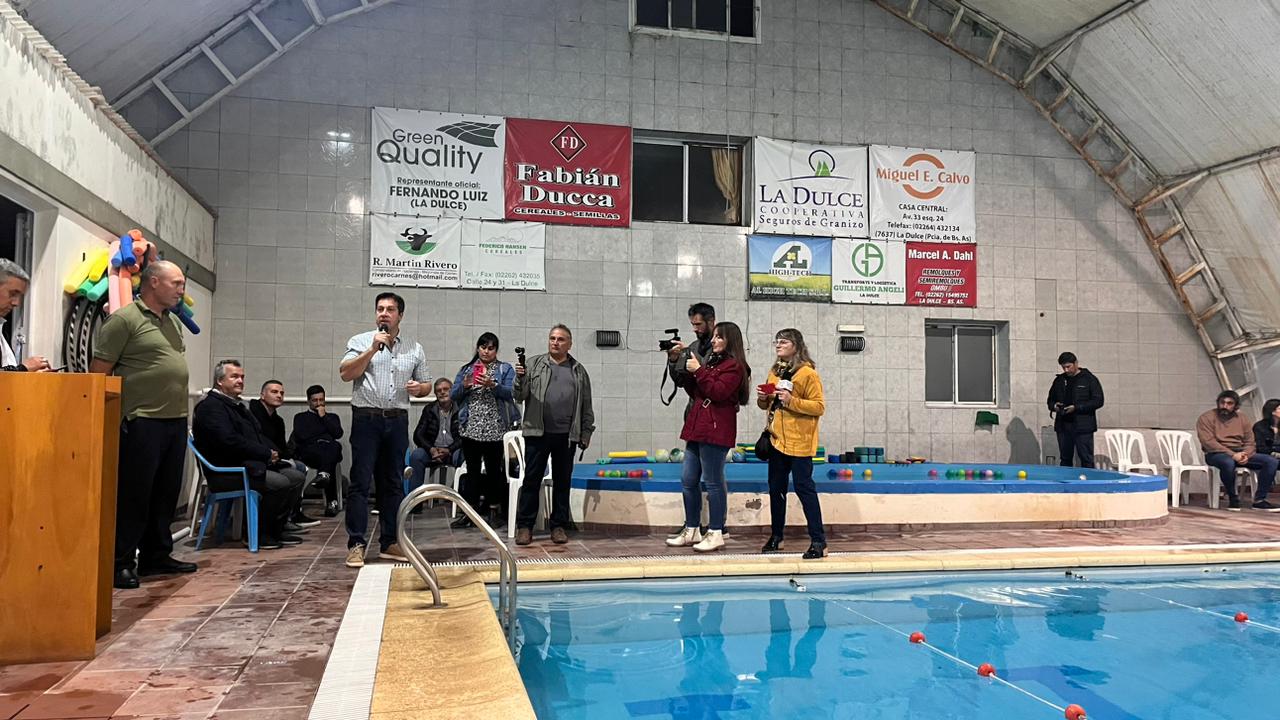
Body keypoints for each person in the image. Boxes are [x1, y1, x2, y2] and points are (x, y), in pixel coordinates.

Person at [89, 260, 195, 589]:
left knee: (165, 492)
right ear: (153, 282)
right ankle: (121, 562)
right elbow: (98, 373)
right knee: (135, 494)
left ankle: (156, 555)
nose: (181, 290)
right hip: (140, 420)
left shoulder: (172, 322)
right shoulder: (124, 320)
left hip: (174, 419)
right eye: (176, 283)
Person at [338, 291, 430, 568]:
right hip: (366, 419)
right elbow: (346, 373)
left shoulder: (414, 348)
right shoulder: (360, 341)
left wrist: (419, 388)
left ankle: (389, 541)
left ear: (400, 315)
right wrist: (371, 350)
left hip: (397, 420)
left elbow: (426, 385)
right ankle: (356, 544)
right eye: (380, 309)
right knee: (360, 482)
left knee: (393, 483)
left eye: (390, 309)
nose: (384, 313)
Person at [193, 360, 307, 548]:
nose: (240, 381)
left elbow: (256, 435)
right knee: (280, 483)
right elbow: (228, 441)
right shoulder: (211, 407)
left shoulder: (236, 405)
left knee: (296, 476)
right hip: (227, 470)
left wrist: (274, 454)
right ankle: (258, 533)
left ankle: (275, 529)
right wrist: (265, 453)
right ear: (219, 381)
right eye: (234, 377)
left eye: (242, 377)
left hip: (246, 463)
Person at [666, 321, 749, 553]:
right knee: (688, 479)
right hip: (698, 425)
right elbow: (696, 391)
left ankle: (716, 532)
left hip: (716, 428)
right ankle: (692, 528)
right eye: (713, 337)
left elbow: (719, 392)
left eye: (719, 337)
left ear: (730, 340)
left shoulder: (735, 367)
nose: (713, 341)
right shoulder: (713, 362)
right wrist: (683, 362)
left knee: (713, 481)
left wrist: (699, 371)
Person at [514, 324, 595, 546]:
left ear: (569, 344)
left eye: (560, 339)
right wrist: (520, 378)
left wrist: (586, 431)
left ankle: (558, 526)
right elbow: (519, 396)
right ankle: (525, 526)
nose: (555, 342)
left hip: (567, 435)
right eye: (552, 338)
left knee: (562, 481)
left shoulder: (579, 371)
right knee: (531, 480)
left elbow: (586, 404)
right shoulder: (533, 365)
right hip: (537, 432)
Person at [756, 328, 827, 559]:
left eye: (784, 342)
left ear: (796, 346)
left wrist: (791, 400)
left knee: (805, 489)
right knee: (776, 490)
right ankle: (777, 537)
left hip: (800, 442)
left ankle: (819, 541)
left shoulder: (807, 374)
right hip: (777, 440)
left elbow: (819, 407)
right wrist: (763, 399)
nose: (778, 345)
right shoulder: (775, 372)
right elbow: (767, 406)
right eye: (777, 341)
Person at [450, 332, 520, 528]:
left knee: (493, 472)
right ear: (478, 348)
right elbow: (453, 395)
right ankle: (470, 513)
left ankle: (493, 511)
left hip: (495, 429)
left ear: (496, 350)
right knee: (471, 472)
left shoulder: (505, 369)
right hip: (470, 427)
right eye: (483, 347)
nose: (486, 352)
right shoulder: (467, 370)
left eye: (490, 348)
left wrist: (493, 385)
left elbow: (512, 393)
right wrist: (464, 386)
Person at [250, 379, 320, 528]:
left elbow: (281, 447)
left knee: (299, 466)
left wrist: (286, 458)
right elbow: (255, 440)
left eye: (281, 393)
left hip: (273, 458)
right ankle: (282, 519)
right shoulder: (251, 414)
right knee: (294, 471)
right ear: (262, 395)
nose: (279, 395)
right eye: (274, 392)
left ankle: (291, 514)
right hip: (257, 459)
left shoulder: (278, 420)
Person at [1197, 389, 1280, 512]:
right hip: (1216, 453)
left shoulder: (1242, 418)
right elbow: (1209, 442)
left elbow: (1250, 441)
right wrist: (1233, 455)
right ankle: (1233, 498)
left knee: (1271, 461)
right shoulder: (1206, 418)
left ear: (1236, 405)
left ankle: (1259, 500)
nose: (1225, 406)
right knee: (1228, 462)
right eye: (1222, 402)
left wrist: (1246, 454)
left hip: (1241, 451)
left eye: (1229, 403)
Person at [291, 385, 344, 517]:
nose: (319, 403)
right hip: (310, 452)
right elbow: (302, 436)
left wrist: (324, 417)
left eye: (321, 400)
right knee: (329, 452)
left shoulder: (332, 417)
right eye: (315, 400)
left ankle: (324, 475)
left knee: (334, 447)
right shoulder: (300, 417)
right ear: (308, 401)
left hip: (329, 450)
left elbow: (338, 433)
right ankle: (332, 501)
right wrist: (322, 436)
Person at [1045, 352, 1104, 468]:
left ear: (1076, 363)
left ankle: (1088, 479)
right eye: (1063, 367)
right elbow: (1050, 400)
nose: (1066, 370)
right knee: (1065, 458)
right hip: (1063, 426)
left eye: (1068, 366)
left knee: (1086, 458)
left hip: (1083, 426)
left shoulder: (1089, 379)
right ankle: (1066, 479)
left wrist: (1077, 407)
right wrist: (1055, 406)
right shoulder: (1059, 380)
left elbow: (1098, 401)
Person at [409, 378, 463, 494]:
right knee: (416, 456)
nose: (442, 392)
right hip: (432, 451)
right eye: (439, 390)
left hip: (453, 451)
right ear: (435, 394)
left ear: (452, 390)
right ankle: (415, 499)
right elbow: (418, 435)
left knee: (463, 456)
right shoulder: (429, 409)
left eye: (446, 389)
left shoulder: (460, 408)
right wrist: (431, 449)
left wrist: (449, 450)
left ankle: (461, 499)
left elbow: (464, 436)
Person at [664, 302, 716, 418]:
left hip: (715, 413)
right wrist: (674, 360)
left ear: (711, 322)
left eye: (698, 324)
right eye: (693, 324)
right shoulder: (693, 347)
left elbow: (717, 385)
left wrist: (693, 362)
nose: (695, 329)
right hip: (694, 411)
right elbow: (680, 381)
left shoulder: (723, 348)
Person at [0, 258, 49, 371]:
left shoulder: (3, 330)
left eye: (20, 296)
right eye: (13, 294)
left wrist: (27, 376)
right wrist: (23, 368)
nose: (16, 303)